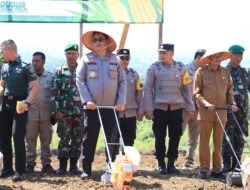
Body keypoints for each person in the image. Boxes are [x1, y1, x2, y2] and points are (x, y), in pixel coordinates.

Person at [76, 31, 126, 178]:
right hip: (92, 108)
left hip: (111, 108)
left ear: (107, 42)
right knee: (89, 138)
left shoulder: (115, 60)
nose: (97, 42)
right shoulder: (86, 59)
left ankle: (111, 168)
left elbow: (122, 82)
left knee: (112, 140)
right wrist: (87, 100)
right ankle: (86, 169)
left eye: (100, 39)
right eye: (95, 40)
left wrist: (121, 101)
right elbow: (80, 80)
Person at [143, 43, 194, 175]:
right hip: (159, 109)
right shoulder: (154, 68)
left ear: (172, 53)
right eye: (160, 52)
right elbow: (148, 89)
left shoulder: (181, 68)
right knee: (159, 137)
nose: (162, 55)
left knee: (175, 136)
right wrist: (148, 108)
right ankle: (161, 163)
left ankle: (171, 163)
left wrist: (190, 107)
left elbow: (187, 89)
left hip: (177, 109)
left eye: (164, 52)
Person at [193, 51, 238, 179]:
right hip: (206, 112)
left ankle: (217, 170)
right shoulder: (201, 72)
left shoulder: (226, 72)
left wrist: (232, 103)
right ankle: (204, 169)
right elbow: (196, 93)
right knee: (204, 142)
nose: (218, 59)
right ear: (210, 58)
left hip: (222, 112)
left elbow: (230, 92)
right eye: (215, 57)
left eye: (220, 57)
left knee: (218, 143)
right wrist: (206, 103)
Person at [0, 39, 39, 181]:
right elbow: (2, 84)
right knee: (4, 136)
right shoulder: (4, 66)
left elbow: (35, 87)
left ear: (10, 50)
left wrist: (28, 102)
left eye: (2, 50)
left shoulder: (26, 67)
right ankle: (7, 168)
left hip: (20, 104)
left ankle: (20, 171)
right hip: (5, 104)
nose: (1, 54)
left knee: (17, 136)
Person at [50, 44, 84, 175]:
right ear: (65, 55)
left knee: (77, 138)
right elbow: (54, 92)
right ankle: (62, 166)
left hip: (79, 111)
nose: (71, 56)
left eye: (73, 53)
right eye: (68, 53)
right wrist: (56, 111)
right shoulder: (59, 71)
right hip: (64, 112)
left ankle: (74, 166)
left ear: (77, 55)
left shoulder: (82, 70)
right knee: (64, 138)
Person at [222, 45, 250, 173]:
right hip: (229, 111)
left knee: (240, 138)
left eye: (241, 55)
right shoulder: (224, 71)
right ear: (230, 55)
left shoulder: (245, 72)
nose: (239, 57)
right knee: (227, 138)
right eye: (236, 55)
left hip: (242, 113)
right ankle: (226, 165)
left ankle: (237, 164)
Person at [25, 52, 55, 173]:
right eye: (33, 61)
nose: (35, 63)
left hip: (46, 114)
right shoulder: (28, 77)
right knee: (30, 140)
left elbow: (54, 95)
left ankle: (46, 164)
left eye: (37, 61)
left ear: (43, 61)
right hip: (31, 114)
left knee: (46, 140)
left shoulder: (50, 77)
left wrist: (54, 113)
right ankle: (30, 164)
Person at [182, 49, 206, 168]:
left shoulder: (204, 72)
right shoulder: (185, 69)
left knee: (194, 136)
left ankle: (189, 161)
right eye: (205, 59)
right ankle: (169, 161)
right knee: (177, 134)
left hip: (198, 108)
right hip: (184, 108)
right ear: (198, 58)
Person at [116, 48, 143, 146]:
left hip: (130, 114)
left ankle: (127, 161)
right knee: (113, 141)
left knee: (129, 141)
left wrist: (140, 111)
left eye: (126, 58)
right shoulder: (111, 74)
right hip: (115, 113)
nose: (124, 61)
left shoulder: (134, 74)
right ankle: (111, 161)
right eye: (121, 58)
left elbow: (139, 93)